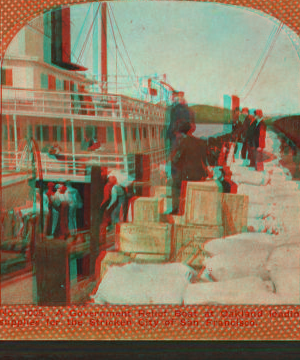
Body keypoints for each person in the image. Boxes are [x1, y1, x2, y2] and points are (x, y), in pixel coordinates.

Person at [170, 122, 210, 214]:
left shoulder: (183, 141)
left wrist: (171, 159)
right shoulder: (200, 141)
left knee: (175, 183)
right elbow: (203, 161)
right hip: (199, 174)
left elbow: (177, 159)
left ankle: (176, 210)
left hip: (188, 175)